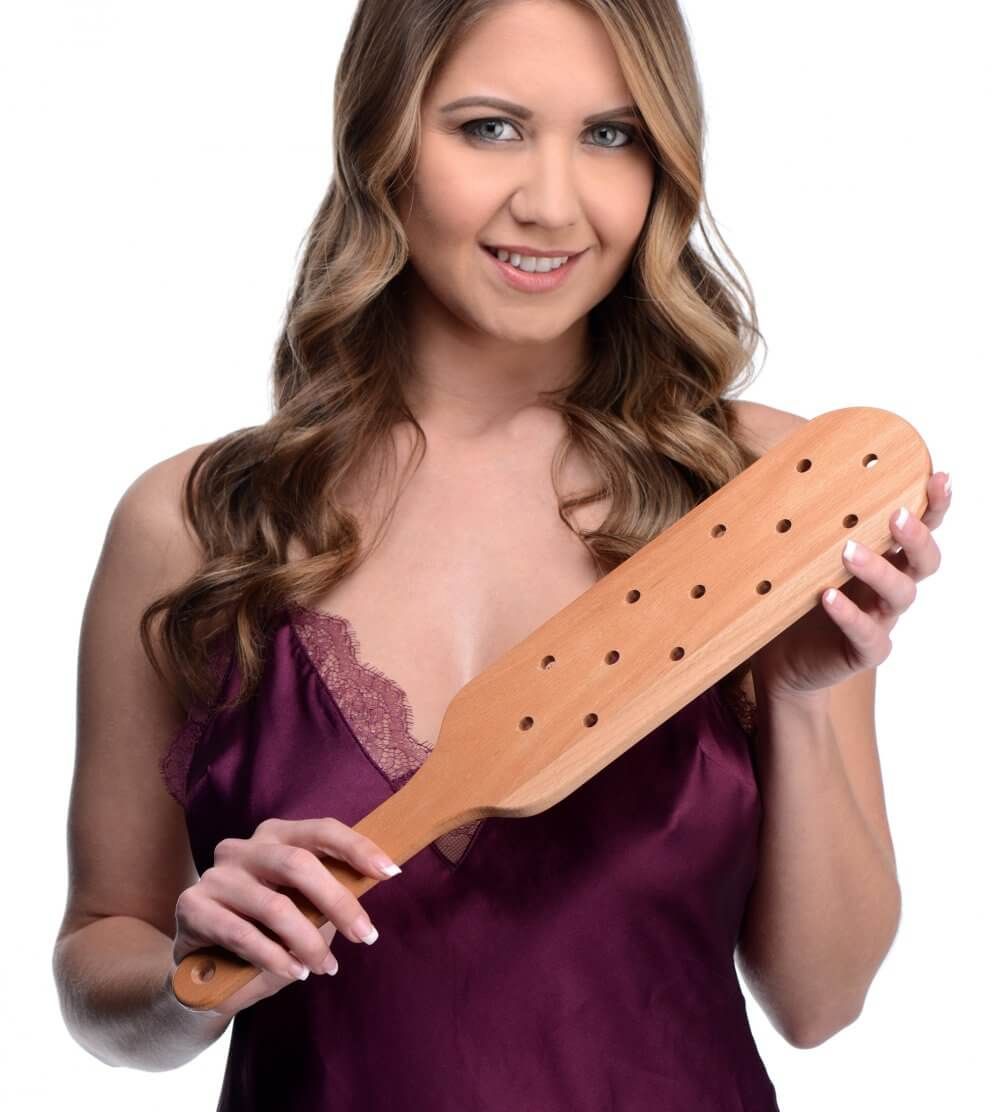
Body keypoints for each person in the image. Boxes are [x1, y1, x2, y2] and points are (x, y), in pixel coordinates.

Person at [52, 1, 951, 1108]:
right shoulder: (195, 523)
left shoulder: (762, 487)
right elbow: (104, 957)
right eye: (490, 128)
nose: (553, 203)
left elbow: (822, 1000)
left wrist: (801, 695)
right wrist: (187, 976)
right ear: (381, 137)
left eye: (612, 135)